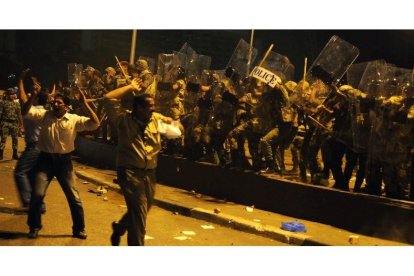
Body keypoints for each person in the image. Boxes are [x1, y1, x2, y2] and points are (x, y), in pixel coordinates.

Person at [104, 79, 182, 246]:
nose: (153, 108)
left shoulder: (156, 119)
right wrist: (131, 87)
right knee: (139, 214)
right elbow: (109, 98)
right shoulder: (124, 120)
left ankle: (119, 228)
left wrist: (174, 123)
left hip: (149, 173)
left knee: (143, 208)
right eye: (150, 106)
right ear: (139, 108)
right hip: (130, 172)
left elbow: (178, 129)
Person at [21, 84, 100, 239]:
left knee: (74, 197)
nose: (55, 104)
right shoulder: (44, 115)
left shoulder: (74, 119)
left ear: (66, 106)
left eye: (59, 103)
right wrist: (32, 96)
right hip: (45, 161)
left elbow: (95, 123)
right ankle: (34, 226)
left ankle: (79, 228)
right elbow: (25, 112)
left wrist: (85, 104)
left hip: (64, 163)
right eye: (54, 102)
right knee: (37, 195)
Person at [14, 71, 48, 211]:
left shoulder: (34, 111)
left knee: (20, 173)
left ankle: (29, 202)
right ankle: (39, 204)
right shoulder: (45, 111)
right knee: (33, 176)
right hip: (42, 148)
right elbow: (24, 99)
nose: (27, 96)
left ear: (36, 100)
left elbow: (23, 100)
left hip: (34, 148)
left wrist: (21, 80)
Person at [0, 87, 23, 160]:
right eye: (10, 94)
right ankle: (0, 154)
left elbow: (19, 115)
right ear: (7, 95)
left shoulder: (17, 104)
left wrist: (21, 125)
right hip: (5, 122)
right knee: (3, 139)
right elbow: (0, 113)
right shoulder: (3, 103)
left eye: (13, 94)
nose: (12, 95)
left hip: (14, 123)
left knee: (15, 139)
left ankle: (15, 154)